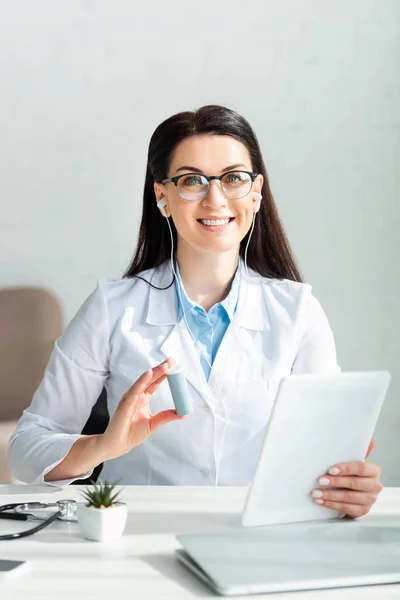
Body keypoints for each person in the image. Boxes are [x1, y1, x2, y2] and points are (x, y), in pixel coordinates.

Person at [8, 105, 382, 518]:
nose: (215, 198)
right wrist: (103, 446)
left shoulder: (297, 311)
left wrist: (348, 487)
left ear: (256, 193)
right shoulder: (112, 309)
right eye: (191, 181)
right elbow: (26, 450)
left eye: (234, 178)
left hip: (256, 535)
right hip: (139, 539)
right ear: (162, 196)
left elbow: (324, 455)